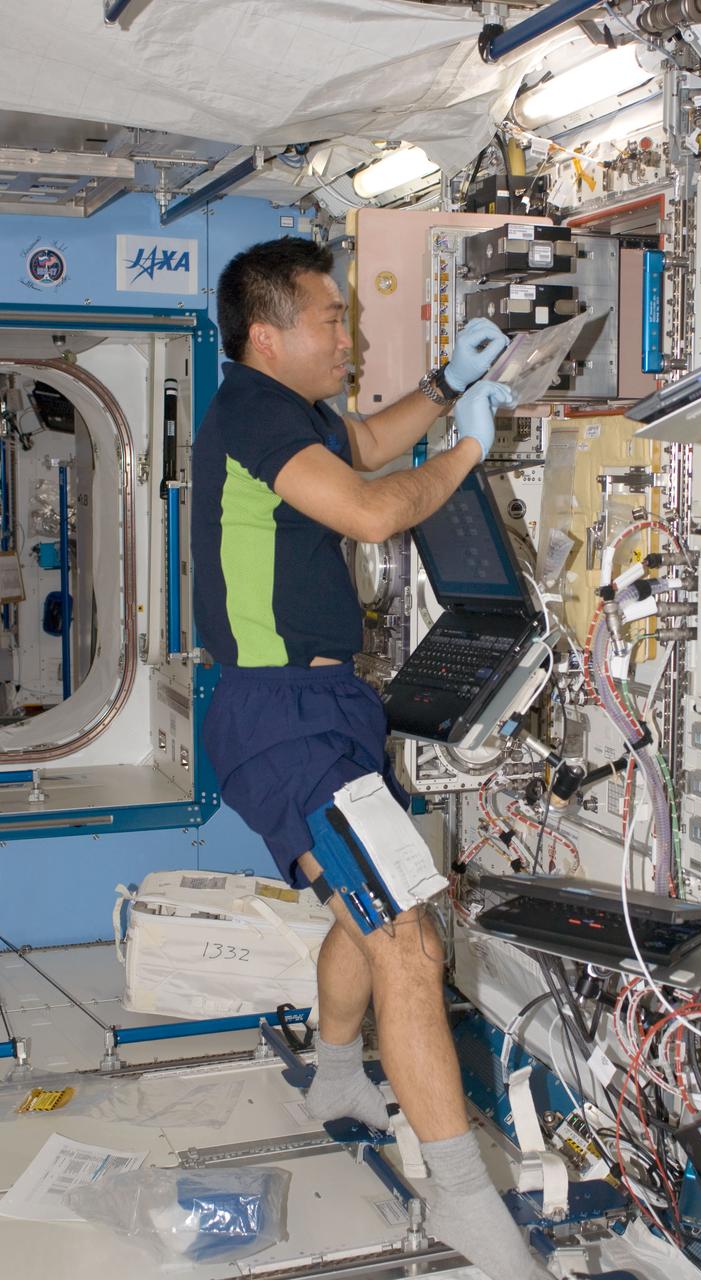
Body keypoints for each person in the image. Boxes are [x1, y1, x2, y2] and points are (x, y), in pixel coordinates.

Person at [191, 237, 551, 1280]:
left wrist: (447, 387)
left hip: (324, 705)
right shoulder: (253, 410)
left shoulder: (289, 412)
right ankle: (460, 1195)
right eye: (332, 317)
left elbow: (363, 440)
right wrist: (468, 452)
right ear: (270, 332)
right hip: (280, 714)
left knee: (373, 902)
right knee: (405, 937)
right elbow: (373, 503)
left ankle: (340, 1071)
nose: (346, 335)